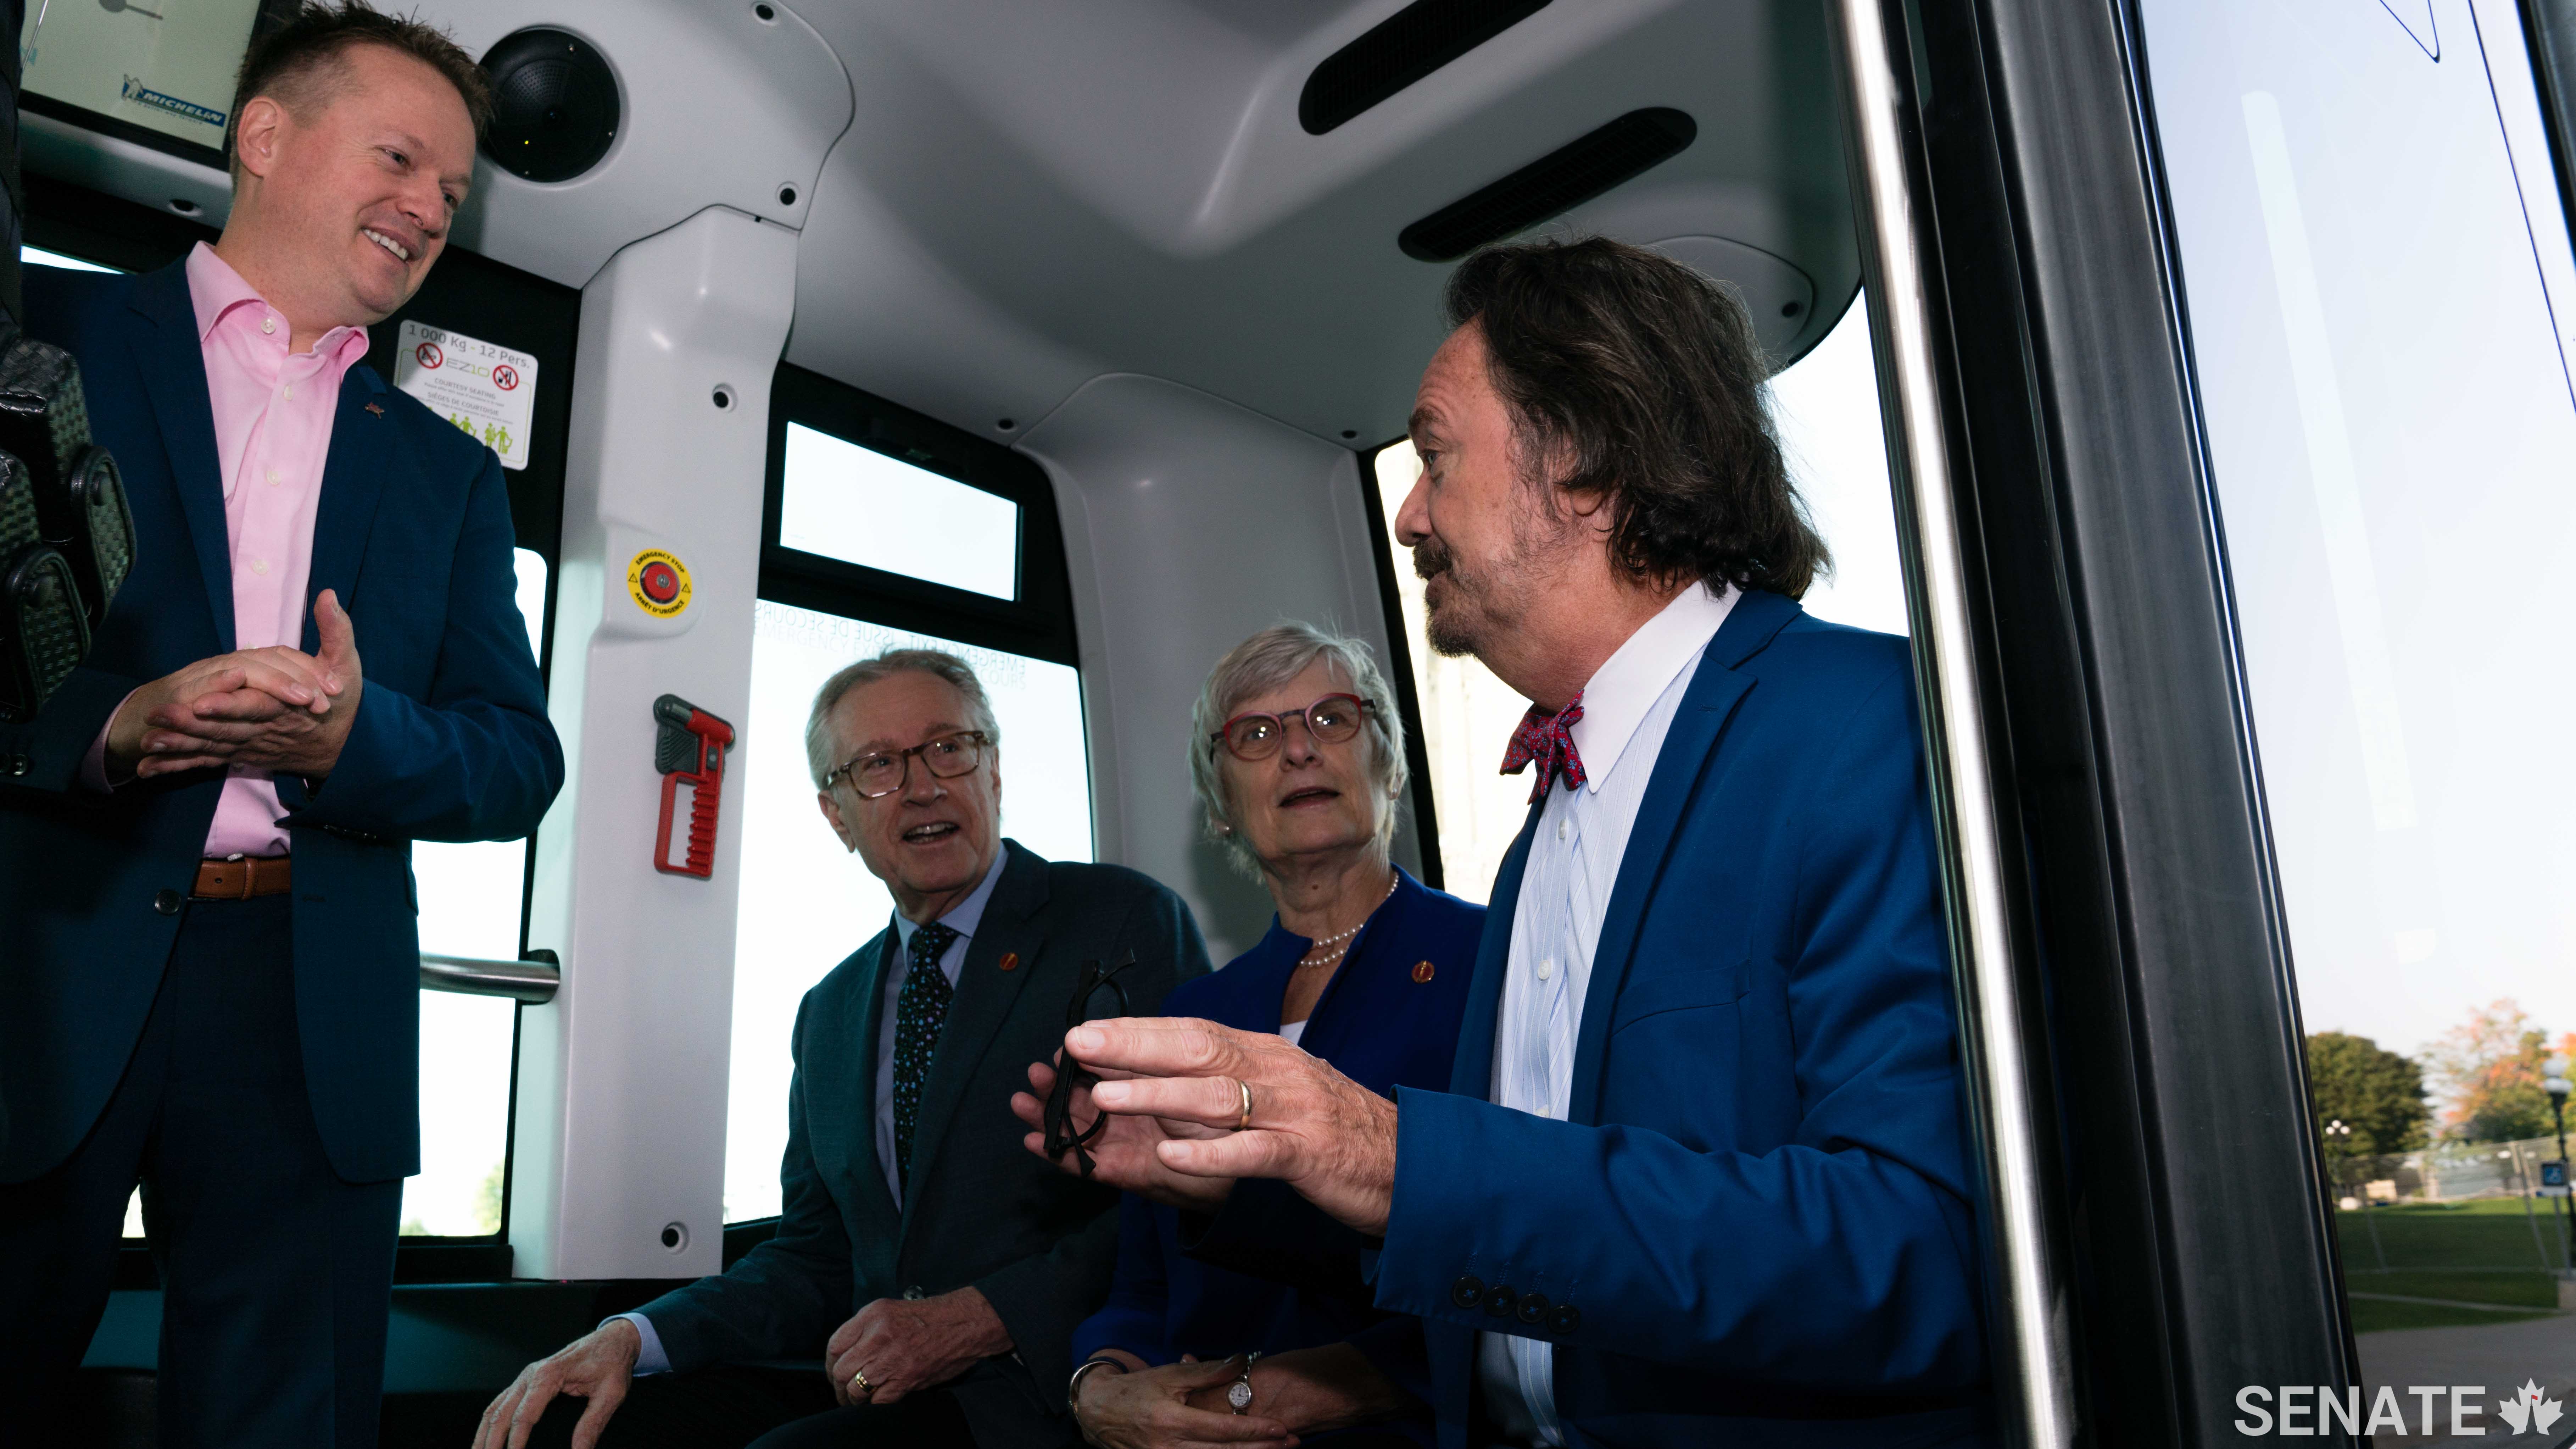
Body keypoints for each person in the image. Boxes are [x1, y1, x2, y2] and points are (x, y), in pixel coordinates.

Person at [1043, 237, 1992, 1446]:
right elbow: (1524, 1243)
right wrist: (1255, 1177)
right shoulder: (1540, 829)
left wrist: (1392, 1155)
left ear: (1584, 459)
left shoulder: (1867, 726)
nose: (1408, 512)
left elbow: (1927, 1251)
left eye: (1435, 456)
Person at [0, 6, 562, 1444]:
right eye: (399, 158)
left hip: (308, 1003)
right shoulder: (39, 333)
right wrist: (113, 725)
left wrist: (352, 740)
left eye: (452, 192)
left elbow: (517, 757)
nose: (428, 207)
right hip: (45, 949)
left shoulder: (447, 473)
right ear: (263, 135)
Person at [482, 649, 1212, 1449]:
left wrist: (978, 1317)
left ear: (994, 770)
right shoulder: (830, 1012)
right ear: (837, 817)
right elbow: (813, 1258)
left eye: (949, 747)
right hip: (876, 1382)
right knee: (571, 1427)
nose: (924, 785)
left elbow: (1183, 1194)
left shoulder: (1118, 921)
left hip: (1049, 1382)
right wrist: (630, 1337)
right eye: (878, 766)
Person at [1013, 624, 1480, 1449]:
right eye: (1256, 734)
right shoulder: (1191, 1016)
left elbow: (1523, 1260)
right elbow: (1142, 1290)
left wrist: (1299, 1392)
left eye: (1332, 718)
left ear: (1390, 765)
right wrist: (1102, 1388)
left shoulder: (1490, 962)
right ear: (1224, 808)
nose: (1299, 750)